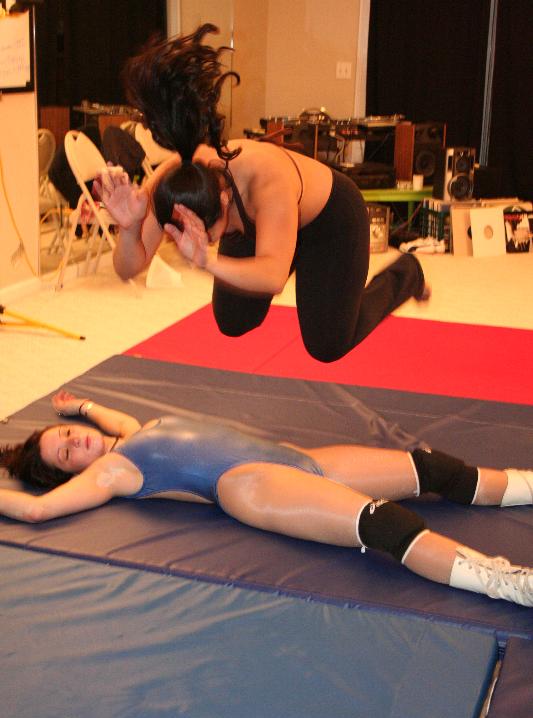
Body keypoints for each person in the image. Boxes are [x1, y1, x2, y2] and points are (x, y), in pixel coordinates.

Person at [1, 389, 532, 607]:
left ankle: (523, 483)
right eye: (66, 455)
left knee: (434, 468)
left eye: (66, 436)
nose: (76, 444)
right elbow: (35, 509)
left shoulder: (128, 432)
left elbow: (109, 420)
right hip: (250, 484)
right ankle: (509, 583)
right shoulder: (111, 472)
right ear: (72, 473)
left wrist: (79, 407)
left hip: (298, 457)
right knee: (383, 524)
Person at [97, 24, 429, 364]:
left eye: (210, 235)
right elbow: (127, 269)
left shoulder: (268, 182)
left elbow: (272, 278)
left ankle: (407, 275)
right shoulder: (175, 179)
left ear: (224, 200)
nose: (206, 241)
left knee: (327, 345)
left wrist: (207, 260)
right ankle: (282, 247)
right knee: (233, 321)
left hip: (330, 218)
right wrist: (129, 228)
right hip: (265, 222)